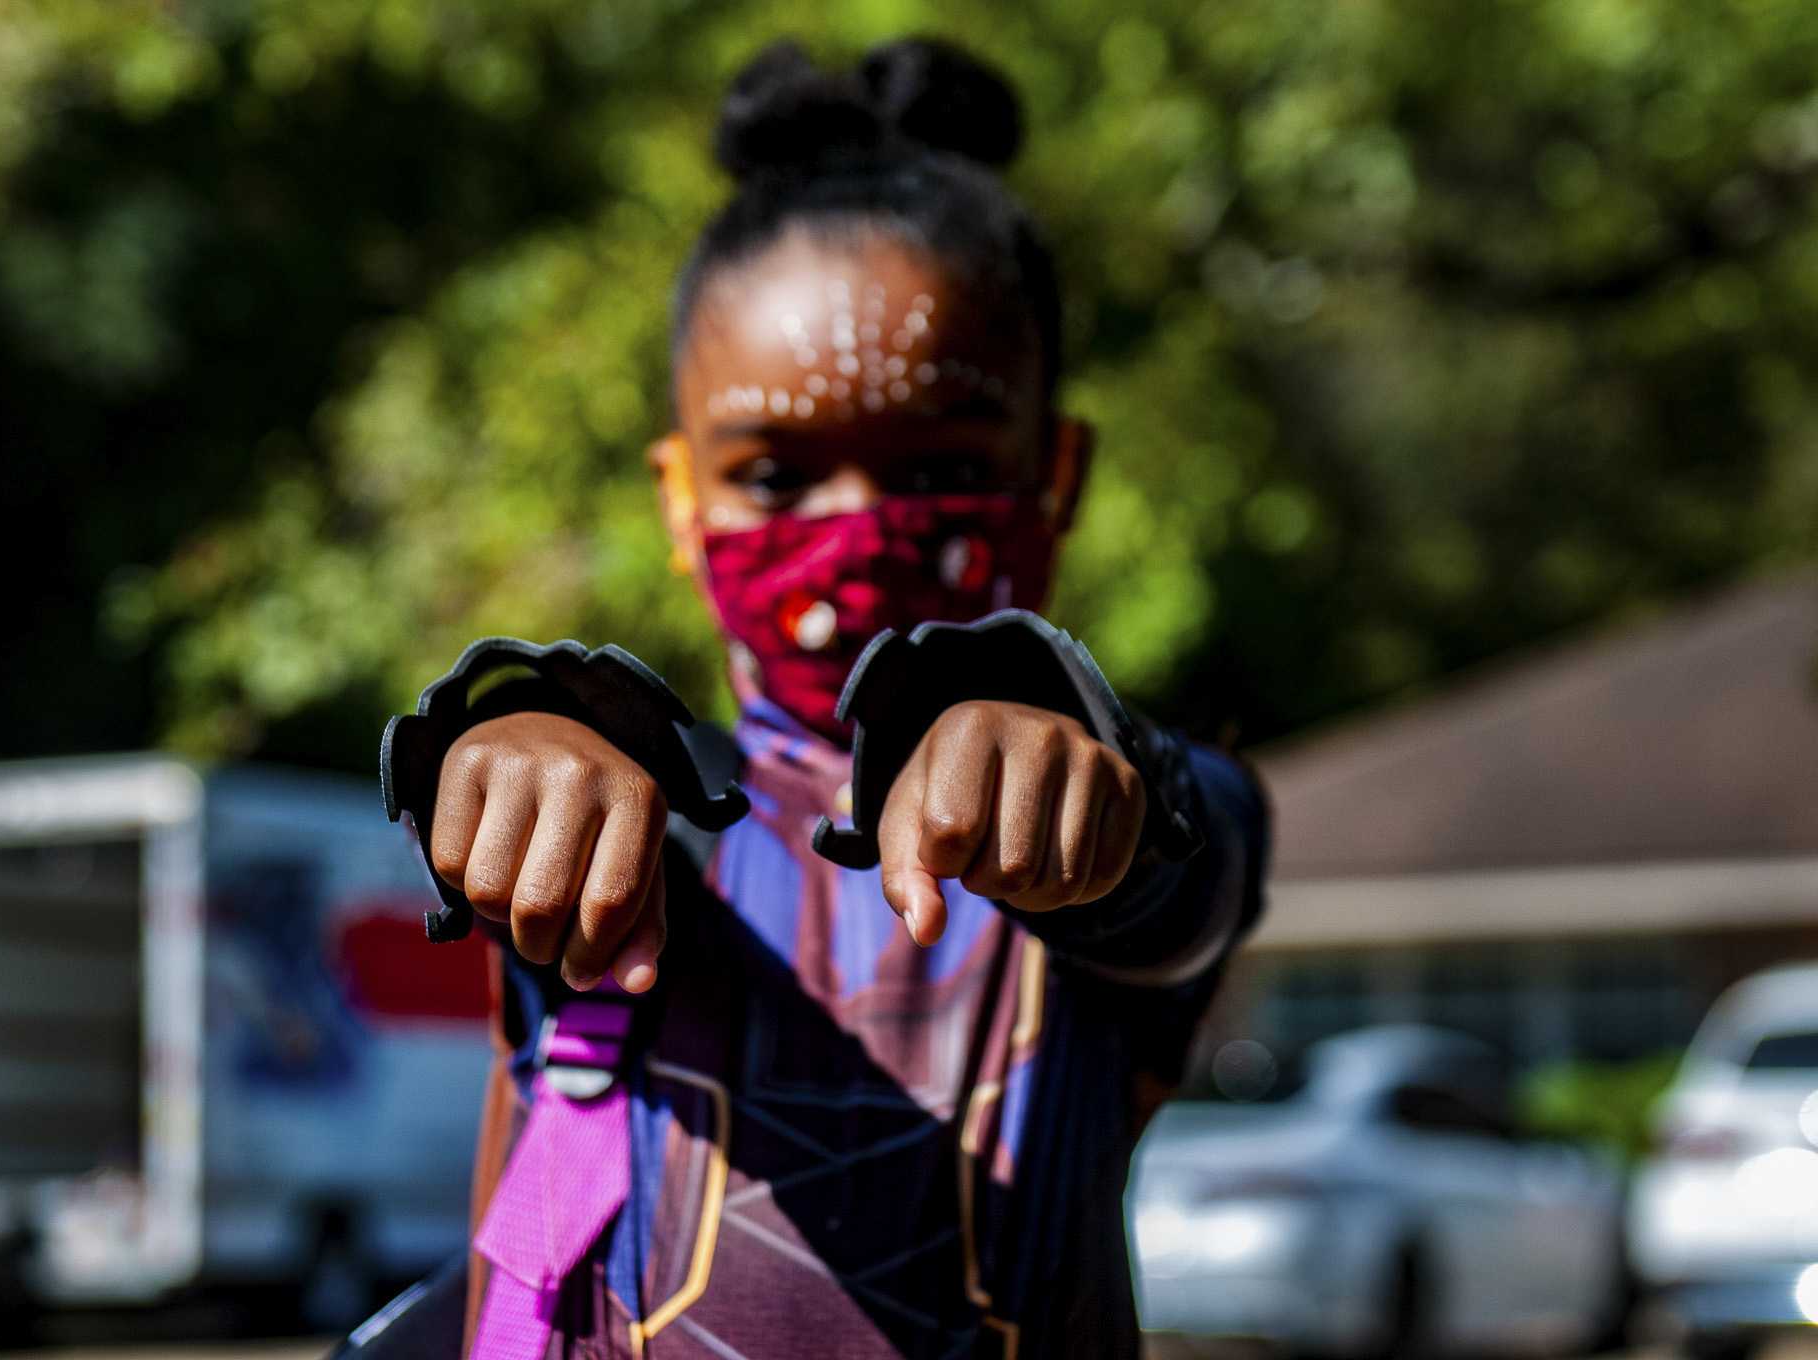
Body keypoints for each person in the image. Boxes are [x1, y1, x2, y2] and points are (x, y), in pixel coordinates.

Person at [349, 37, 1270, 1360]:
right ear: (681, 499)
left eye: (942, 463)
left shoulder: (1117, 816)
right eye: (778, 474)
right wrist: (507, 740)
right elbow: (531, 753)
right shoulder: (634, 815)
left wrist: (1089, 791)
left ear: (1055, 477)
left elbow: (1187, 868)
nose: (861, 525)